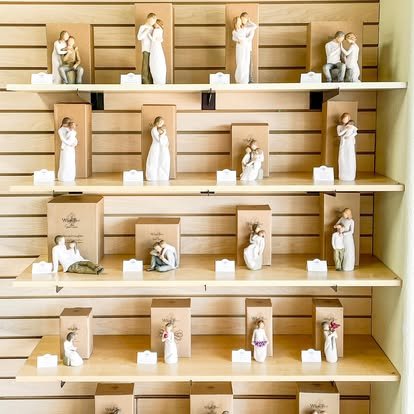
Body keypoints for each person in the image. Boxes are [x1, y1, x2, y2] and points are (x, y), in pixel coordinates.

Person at [145, 116, 170, 181]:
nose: (162, 124)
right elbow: (158, 140)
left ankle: (161, 177)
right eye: (161, 122)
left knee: (162, 161)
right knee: (154, 161)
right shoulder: (154, 130)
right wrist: (163, 133)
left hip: (161, 148)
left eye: (162, 123)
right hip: (155, 147)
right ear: (157, 122)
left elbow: (163, 139)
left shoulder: (160, 129)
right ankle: (152, 177)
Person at [337, 113, 358, 181]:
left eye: (347, 118)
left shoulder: (352, 126)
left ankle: (351, 175)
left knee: (350, 157)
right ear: (342, 119)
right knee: (343, 157)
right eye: (344, 118)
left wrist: (350, 136)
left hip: (350, 143)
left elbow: (355, 133)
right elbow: (339, 134)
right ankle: (343, 176)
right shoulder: (339, 126)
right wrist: (346, 129)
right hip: (343, 143)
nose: (345, 120)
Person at [137, 13, 157, 84]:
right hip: (145, 49)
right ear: (148, 19)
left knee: (151, 66)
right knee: (145, 65)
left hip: (152, 49)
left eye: (154, 21)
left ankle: (151, 82)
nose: (153, 23)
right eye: (152, 21)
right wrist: (146, 30)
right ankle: (145, 82)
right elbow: (139, 37)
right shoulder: (143, 27)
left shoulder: (153, 28)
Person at [240, 12, 257, 83]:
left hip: (248, 49)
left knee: (249, 64)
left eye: (245, 18)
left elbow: (255, 26)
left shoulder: (250, 27)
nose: (243, 20)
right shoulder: (239, 26)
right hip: (241, 49)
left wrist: (249, 21)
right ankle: (243, 79)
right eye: (242, 18)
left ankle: (250, 79)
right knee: (242, 64)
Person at [232, 16, 250, 84]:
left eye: (240, 20)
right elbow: (233, 38)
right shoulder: (234, 31)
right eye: (239, 20)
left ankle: (245, 80)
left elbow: (254, 27)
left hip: (246, 47)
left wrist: (248, 21)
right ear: (236, 22)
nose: (240, 21)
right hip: (239, 47)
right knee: (240, 62)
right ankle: (239, 79)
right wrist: (237, 41)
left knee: (246, 62)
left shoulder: (244, 29)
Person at [149, 19, 167, 85]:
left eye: (155, 23)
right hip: (159, 46)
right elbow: (161, 39)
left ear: (157, 23)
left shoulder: (156, 30)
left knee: (154, 60)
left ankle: (156, 81)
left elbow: (153, 39)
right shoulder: (161, 30)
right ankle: (161, 80)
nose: (154, 25)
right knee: (160, 60)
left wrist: (148, 34)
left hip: (154, 46)